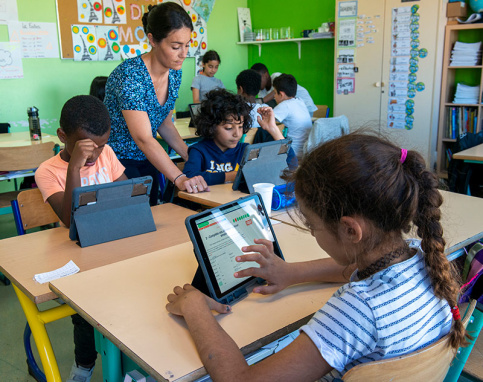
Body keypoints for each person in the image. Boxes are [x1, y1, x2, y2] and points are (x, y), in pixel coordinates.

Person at [166, 132, 466, 381]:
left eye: (312, 224)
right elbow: (350, 270)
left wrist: (195, 309)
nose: (311, 232)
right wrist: (291, 273)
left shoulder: (358, 308)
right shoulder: (420, 253)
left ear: (350, 230)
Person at [35, 95, 128, 382]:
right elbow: (69, 218)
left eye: (102, 145)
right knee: (85, 312)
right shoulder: (47, 171)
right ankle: (84, 364)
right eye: (89, 147)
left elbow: (126, 195)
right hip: (74, 256)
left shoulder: (107, 153)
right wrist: (74, 167)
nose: (98, 154)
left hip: (109, 246)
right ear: (63, 136)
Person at [104, 3, 208, 206]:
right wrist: (178, 178)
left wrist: (191, 155)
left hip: (147, 158)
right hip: (117, 164)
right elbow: (143, 137)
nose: (183, 53)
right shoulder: (130, 75)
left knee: (154, 217)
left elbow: (164, 123)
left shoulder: (175, 72)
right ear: (152, 39)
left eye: (187, 45)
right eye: (176, 46)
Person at [183, 89, 296, 185]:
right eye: (228, 128)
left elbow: (291, 165)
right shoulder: (199, 151)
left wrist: (273, 129)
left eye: (241, 126)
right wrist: (233, 176)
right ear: (211, 126)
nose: (237, 134)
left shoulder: (245, 150)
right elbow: (190, 177)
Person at [251, 63, 317, 116]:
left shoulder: (276, 77)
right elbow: (261, 105)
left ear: (266, 75)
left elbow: (276, 92)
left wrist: (260, 101)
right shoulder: (262, 91)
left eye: (257, 80)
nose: (256, 83)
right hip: (293, 111)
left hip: (306, 107)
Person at [272, 74, 313, 159]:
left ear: (282, 94)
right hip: (305, 151)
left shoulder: (285, 105)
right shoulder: (300, 101)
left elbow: (264, 121)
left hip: (292, 152)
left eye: (275, 93)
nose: (274, 96)